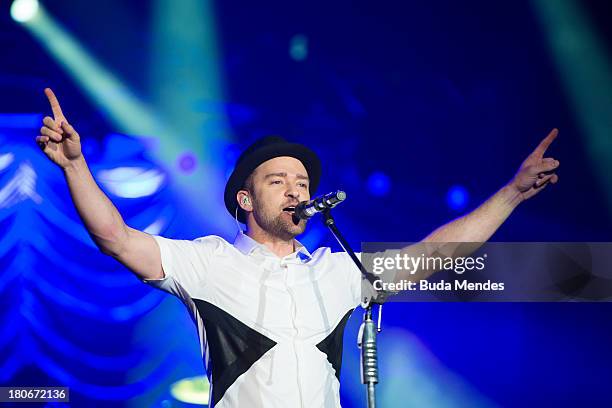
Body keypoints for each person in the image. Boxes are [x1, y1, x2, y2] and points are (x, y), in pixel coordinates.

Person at [36, 88, 560, 408]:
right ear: (245, 198)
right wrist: (76, 166)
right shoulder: (207, 262)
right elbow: (116, 238)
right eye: (278, 181)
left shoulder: (336, 270)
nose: (297, 191)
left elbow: (433, 254)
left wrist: (512, 193)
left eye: (304, 182)